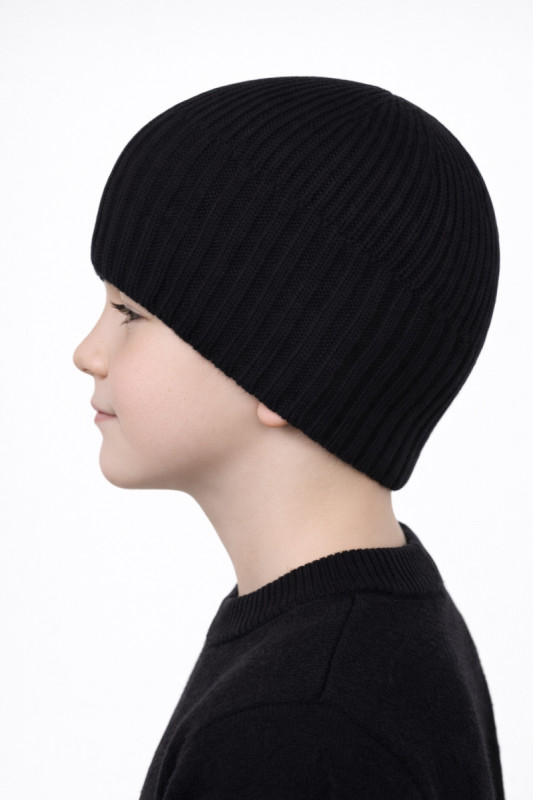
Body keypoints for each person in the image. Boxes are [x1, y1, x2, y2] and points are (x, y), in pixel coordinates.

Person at [73, 76, 505, 798]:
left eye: (130, 313)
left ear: (290, 361)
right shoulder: (376, 631)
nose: (88, 352)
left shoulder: (295, 731)